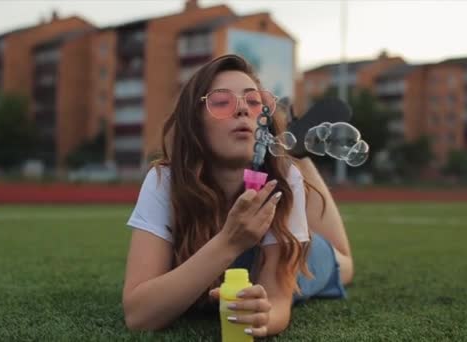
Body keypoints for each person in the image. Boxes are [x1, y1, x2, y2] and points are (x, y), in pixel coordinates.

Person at [122, 54, 354, 337]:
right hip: (238, 252)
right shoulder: (165, 180)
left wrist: (264, 317)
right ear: (194, 122)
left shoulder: (281, 179)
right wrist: (229, 243)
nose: (243, 109)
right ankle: (294, 150)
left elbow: (279, 299)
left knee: (344, 264)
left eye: (254, 102)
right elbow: (138, 314)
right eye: (222, 102)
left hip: (282, 249)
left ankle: (298, 154)